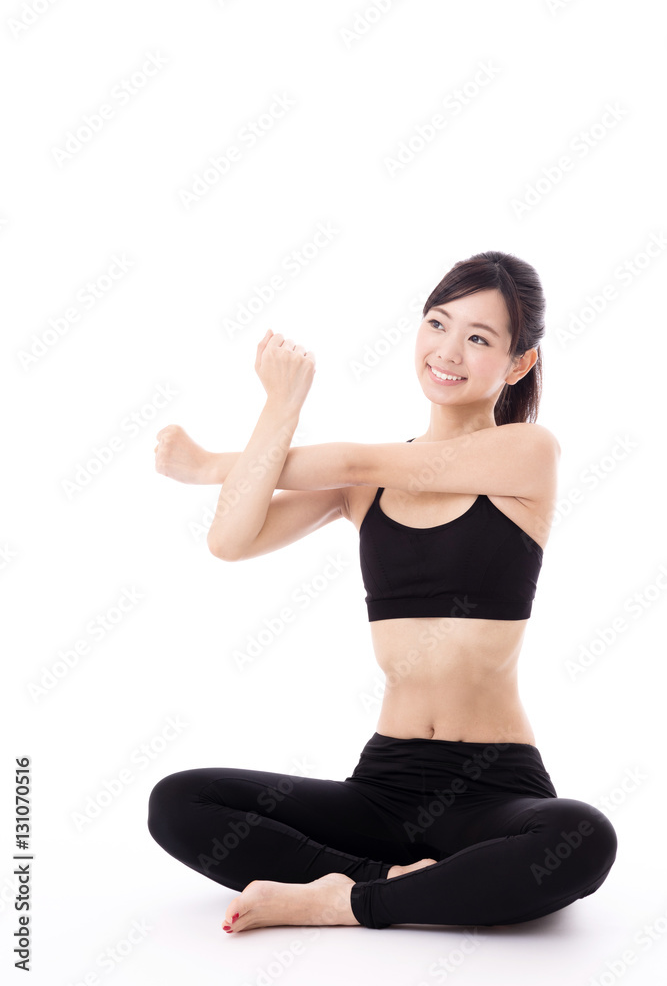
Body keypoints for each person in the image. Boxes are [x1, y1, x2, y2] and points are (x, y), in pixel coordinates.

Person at [147, 250, 617, 934]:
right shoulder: (363, 488)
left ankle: (340, 901)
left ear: (517, 365)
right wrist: (280, 406)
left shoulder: (526, 453)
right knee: (180, 802)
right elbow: (231, 540)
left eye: (478, 338)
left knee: (581, 838)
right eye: (437, 323)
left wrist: (207, 465)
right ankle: (387, 885)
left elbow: (356, 458)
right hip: (385, 784)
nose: (447, 350)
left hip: (494, 786)